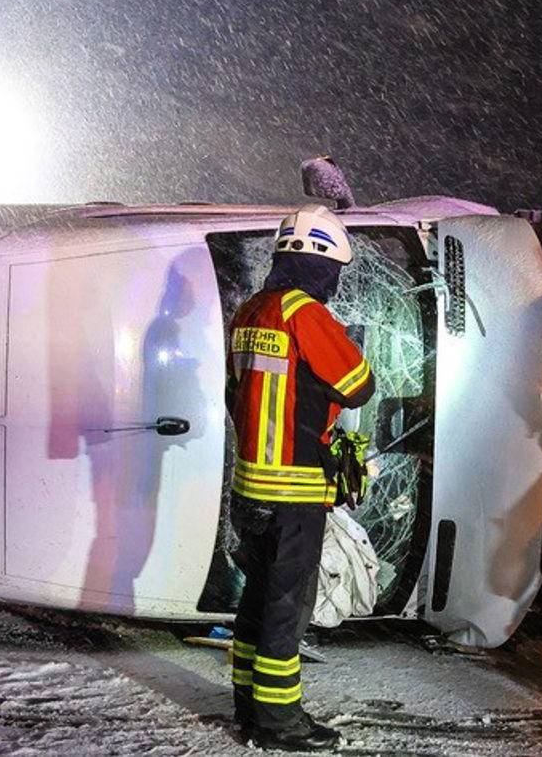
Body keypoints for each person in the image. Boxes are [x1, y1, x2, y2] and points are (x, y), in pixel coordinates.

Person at [225, 205, 375, 751]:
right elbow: (358, 385)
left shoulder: (249, 310)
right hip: (295, 489)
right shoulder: (306, 314)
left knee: (258, 598)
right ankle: (279, 721)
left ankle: (248, 706)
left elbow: (234, 393)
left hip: (249, 487)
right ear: (321, 266)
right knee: (288, 606)